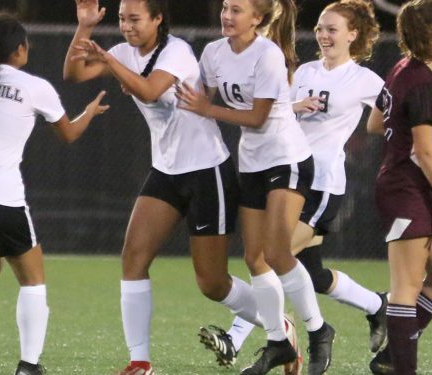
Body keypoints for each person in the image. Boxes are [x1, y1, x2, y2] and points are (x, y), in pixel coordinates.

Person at [63, 1, 298, 374]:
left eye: (135, 19)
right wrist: (85, 27)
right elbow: (74, 73)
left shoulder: (177, 51)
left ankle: (278, 326)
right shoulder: (123, 52)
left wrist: (111, 63)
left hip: (207, 172)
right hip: (166, 170)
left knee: (212, 283)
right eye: (122, 18)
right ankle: (139, 362)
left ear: (158, 19)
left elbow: (150, 90)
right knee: (133, 259)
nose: (126, 26)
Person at [0, 13, 109, 375]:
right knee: (33, 280)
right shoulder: (34, 86)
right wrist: (88, 113)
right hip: (1, 195)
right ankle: (28, 365)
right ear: (19, 48)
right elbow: (68, 135)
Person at [215, 0, 388, 360]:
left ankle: (236, 337)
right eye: (321, 28)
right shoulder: (305, 71)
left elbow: (399, 108)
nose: (323, 35)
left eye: (332, 29)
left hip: (322, 184)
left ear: (353, 35)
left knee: (268, 257)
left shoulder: (364, 79)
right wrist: (294, 107)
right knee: (312, 273)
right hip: (290, 174)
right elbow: (275, 114)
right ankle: (376, 305)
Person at [175, 0, 336, 374]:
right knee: (254, 259)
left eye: (237, 10)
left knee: (278, 253)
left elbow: (258, 117)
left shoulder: (267, 55)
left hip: (286, 157)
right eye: (226, 7)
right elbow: (195, 95)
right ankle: (278, 342)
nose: (227, 16)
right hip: (251, 162)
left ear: (258, 19)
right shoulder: (214, 51)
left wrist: (205, 109)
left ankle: (318, 330)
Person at [364, 1, 432, 374]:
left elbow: (378, 122)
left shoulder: (403, 70)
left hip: (413, 190)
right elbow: (424, 152)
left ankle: (394, 355)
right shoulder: (420, 82)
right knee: (405, 290)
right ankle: (401, 365)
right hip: (405, 191)